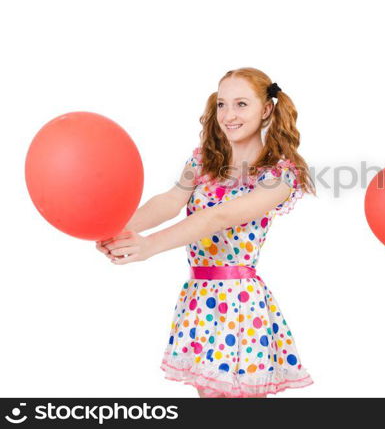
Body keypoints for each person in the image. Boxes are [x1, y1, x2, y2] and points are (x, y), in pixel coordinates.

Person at [96, 67, 315, 398]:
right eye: (222, 104)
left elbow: (219, 216)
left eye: (241, 104)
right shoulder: (202, 161)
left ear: (266, 109)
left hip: (240, 305)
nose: (228, 115)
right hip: (200, 299)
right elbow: (169, 202)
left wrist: (148, 246)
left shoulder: (280, 175)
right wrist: (116, 228)